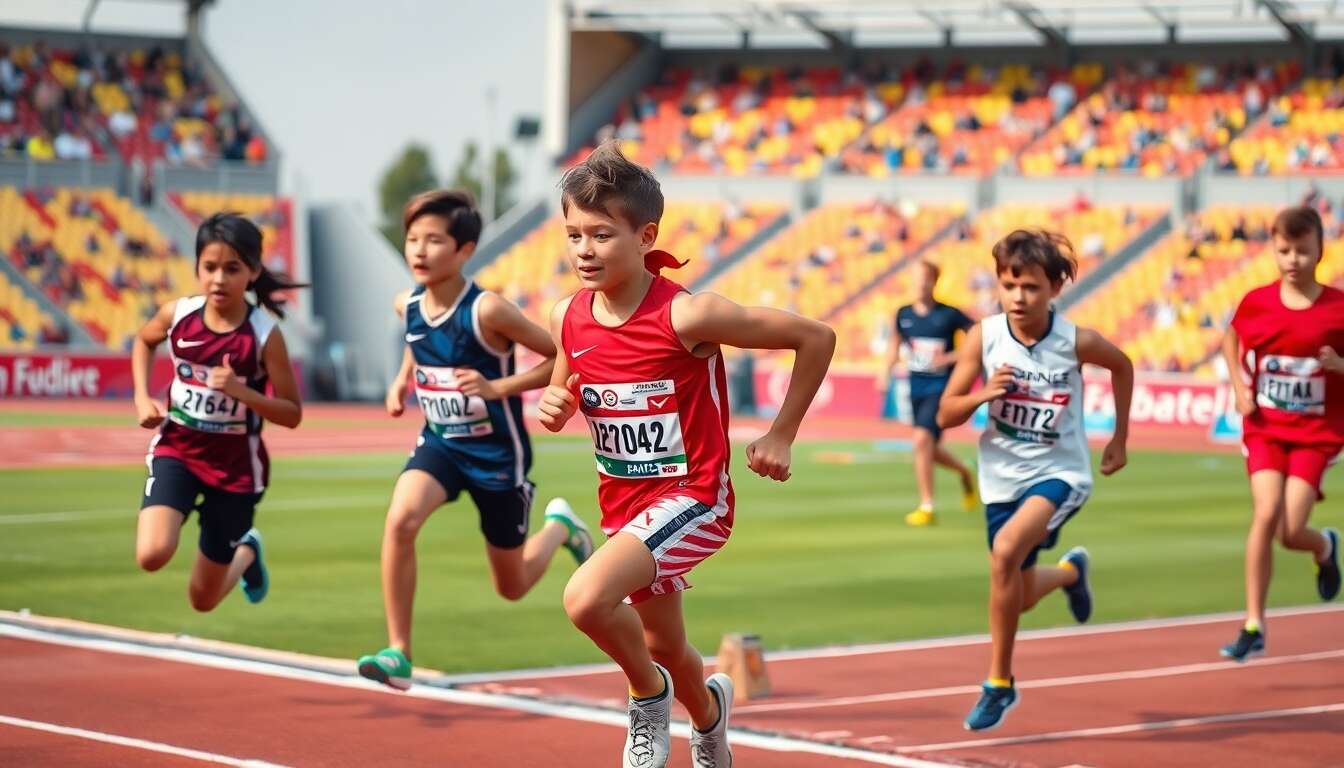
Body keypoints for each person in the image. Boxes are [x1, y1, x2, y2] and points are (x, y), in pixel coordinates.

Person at [538, 142, 835, 768]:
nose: (584, 250)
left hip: (695, 499)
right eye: (573, 235)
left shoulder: (688, 314)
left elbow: (815, 337)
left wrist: (781, 434)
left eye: (601, 235)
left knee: (585, 599)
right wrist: (556, 402)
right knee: (666, 646)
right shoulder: (568, 315)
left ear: (646, 236)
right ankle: (708, 717)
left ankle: (648, 699)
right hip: (625, 507)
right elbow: (565, 385)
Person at [357, 190, 593, 691]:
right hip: (441, 443)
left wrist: (498, 388)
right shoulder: (407, 304)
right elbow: (418, 341)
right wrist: (401, 379)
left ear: (464, 250)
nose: (419, 250)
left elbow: (562, 356)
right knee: (400, 520)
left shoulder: (488, 311)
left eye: (433, 240)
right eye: (412, 239)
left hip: (496, 456)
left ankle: (560, 528)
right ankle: (398, 652)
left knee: (512, 585)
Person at [938, 229, 1133, 731]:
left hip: (1060, 473)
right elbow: (945, 413)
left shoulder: (1076, 341)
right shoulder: (984, 337)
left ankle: (998, 683)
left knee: (1005, 552)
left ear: (1054, 288)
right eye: (1009, 285)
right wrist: (983, 395)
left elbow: (1123, 366)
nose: (1019, 297)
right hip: (1000, 479)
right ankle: (1069, 574)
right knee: (1018, 594)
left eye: (1030, 287)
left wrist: (1119, 439)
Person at [131, 212, 305, 611]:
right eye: (209, 267)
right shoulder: (178, 316)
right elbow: (143, 341)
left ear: (253, 272)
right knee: (151, 554)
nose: (219, 279)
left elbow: (292, 413)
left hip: (235, 473)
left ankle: (247, 553)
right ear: (197, 268)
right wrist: (142, 397)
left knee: (203, 600)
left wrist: (242, 393)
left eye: (232, 269)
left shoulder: (264, 336)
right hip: (178, 451)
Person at [1218, 206, 1344, 662]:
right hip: (1266, 428)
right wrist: (1239, 389)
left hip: (1316, 433)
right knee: (1267, 513)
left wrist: (1339, 365)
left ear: (1319, 251)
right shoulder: (1257, 302)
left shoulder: (1337, 309)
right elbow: (1231, 338)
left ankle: (1324, 545)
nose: (1293, 260)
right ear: (1273, 249)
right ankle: (1254, 624)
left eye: (1302, 251)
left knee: (1291, 532)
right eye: (1284, 250)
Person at [887, 260, 976, 526]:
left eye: (925, 278)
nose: (920, 284)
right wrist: (885, 371)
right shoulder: (903, 313)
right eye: (915, 278)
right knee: (927, 446)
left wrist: (949, 358)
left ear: (934, 282)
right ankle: (964, 471)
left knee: (921, 440)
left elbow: (979, 337)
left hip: (942, 387)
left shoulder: (949, 314)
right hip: (915, 386)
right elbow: (895, 343)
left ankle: (927, 506)